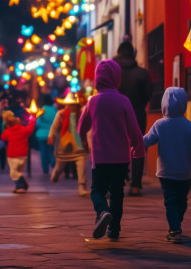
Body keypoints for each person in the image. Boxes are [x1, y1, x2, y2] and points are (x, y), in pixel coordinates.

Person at [77, 59, 145, 240]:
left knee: (97, 190)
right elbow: (134, 128)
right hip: (121, 158)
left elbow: (81, 127)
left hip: (100, 158)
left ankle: (102, 211)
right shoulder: (124, 100)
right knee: (117, 194)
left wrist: (84, 142)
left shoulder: (93, 101)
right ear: (117, 78)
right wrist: (138, 149)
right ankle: (114, 230)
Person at [143, 87, 191, 243]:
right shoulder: (189, 126)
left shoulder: (159, 125)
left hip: (165, 173)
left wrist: (133, 144)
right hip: (184, 173)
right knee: (182, 201)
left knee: (171, 202)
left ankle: (175, 228)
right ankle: (176, 226)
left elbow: (147, 140)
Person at [114, 41, 152, 197]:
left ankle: (119, 179)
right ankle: (136, 185)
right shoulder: (142, 73)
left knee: (116, 148)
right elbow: (148, 95)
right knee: (137, 148)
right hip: (136, 114)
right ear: (133, 54)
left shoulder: (113, 73)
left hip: (115, 115)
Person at [48, 92, 89, 196]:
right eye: (69, 104)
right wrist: (51, 136)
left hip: (78, 143)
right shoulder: (61, 114)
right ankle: (56, 173)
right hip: (64, 143)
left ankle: (81, 187)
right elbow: (54, 126)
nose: (71, 107)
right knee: (60, 164)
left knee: (81, 164)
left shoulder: (81, 113)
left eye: (73, 104)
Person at [1, 109, 35, 193]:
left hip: (12, 155)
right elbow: (30, 127)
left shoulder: (8, 131)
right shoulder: (24, 130)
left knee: (14, 172)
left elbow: (3, 137)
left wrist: (4, 127)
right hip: (23, 155)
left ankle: (20, 187)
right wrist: (33, 118)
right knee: (19, 171)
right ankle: (23, 185)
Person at [34, 94, 57, 175]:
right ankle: (53, 161)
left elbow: (37, 123)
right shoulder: (54, 110)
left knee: (43, 152)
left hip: (41, 135)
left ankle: (45, 168)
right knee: (51, 150)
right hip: (51, 134)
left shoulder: (42, 110)